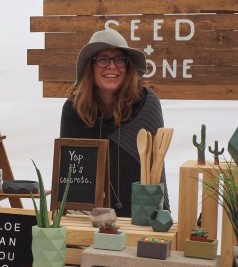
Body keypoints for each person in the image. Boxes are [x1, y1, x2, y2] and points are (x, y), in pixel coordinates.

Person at [60, 28, 169, 218]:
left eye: (119, 59)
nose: (112, 66)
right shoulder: (73, 109)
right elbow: (70, 174)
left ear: (128, 66)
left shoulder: (146, 103)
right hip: (89, 217)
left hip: (140, 216)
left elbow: (155, 170)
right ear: (90, 66)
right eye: (103, 59)